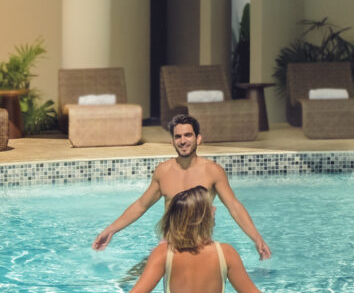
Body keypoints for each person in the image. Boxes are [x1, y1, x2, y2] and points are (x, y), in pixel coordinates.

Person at [74, 186, 319, 293]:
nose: (215, 209)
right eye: (211, 207)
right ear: (203, 217)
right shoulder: (226, 253)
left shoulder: (162, 254)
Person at [90, 110, 271, 258]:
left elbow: (234, 206)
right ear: (172, 142)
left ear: (198, 138)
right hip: (169, 245)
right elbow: (141, 205)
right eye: (178, 137)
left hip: (201, 247)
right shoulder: (163, 171)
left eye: (188, 135)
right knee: (129, 283)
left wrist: (256, 238)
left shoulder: (213, 171)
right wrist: (111, 230)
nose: (183, 141)